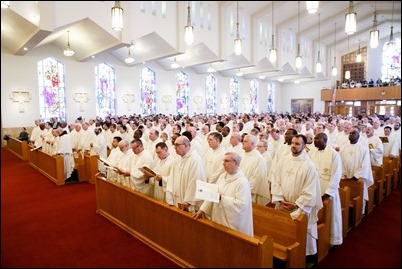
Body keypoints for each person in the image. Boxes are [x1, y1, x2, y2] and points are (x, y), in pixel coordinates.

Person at [270, 134, 323, 257]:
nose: (293, 146)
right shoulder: (283, 160)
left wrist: (296, 205)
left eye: (297, 144)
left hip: (299, 208)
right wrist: (280, 199)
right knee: (282, 231)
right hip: (282, 204)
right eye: (293, 143)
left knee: (300, 235)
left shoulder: (308, 165)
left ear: (304, 146)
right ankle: (283, 251)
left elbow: (310, 189)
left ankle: (301, 256)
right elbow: (276, 180)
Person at [193, 152, 254, 237]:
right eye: (223, 160)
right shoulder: (222, 177)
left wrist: (223, 198)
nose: (223, 163)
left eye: (226, 161)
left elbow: (242, 205)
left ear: (235, 163)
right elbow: (213, 194)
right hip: (218, 218)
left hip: (232, 225)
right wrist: (202, 210)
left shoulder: (242, 182)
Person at [311, 133, 343, 246]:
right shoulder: (312, 152)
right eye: (314, 138)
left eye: (317, 139)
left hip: (327, 191)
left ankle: (330, 238)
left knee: (330, 215)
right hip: (314, 190)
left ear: (325, 140)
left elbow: (336, 174)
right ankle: (314, 238)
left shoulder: (334, 154)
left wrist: (328, 193)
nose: (315, 140)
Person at [166, 136, 206, 213]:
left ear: (186, 145)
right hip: (175, 201)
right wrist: (169, 197)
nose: (174, 147)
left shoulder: (195, 160)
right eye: (174, 145)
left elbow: (195, 182)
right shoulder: (177, 159)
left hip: (187, 203)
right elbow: (171, 179)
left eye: (177, 145)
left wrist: (188, 201)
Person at [339, 130, 374, 214]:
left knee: (358, 194)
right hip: (345, 176)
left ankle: (358, 213)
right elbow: (339, 161)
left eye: (353, 133)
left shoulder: (363, 149)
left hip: (357, 178)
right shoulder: (343, 147)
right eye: (350, 133)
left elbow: (365, 165)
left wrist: (356, 176)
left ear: (358, 137)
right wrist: (343, 173)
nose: (350, 134)